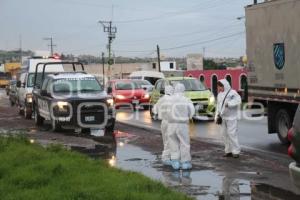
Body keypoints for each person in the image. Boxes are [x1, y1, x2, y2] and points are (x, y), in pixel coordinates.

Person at [167, 83, 195, 170]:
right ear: (183, 90)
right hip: (182, 124)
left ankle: (175, 161)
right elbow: (192, 111)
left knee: (173, 142)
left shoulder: (169, 99)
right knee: (184, 143)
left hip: (171, 124)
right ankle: (185, 162)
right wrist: (189, 116)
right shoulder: (186, 100)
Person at [215, 79, 241, 158]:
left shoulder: (232, 93)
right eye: (218, 87)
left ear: (224, 86)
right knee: (224, 134)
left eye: (220, 87)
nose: (219, 89)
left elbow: (238, 101)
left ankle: (236, 151)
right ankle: (228, 151)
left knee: (232, 134)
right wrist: (216, 116)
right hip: (223, 118)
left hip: (231, 117)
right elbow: (218, 106)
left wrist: (229, 104)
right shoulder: (219, 95)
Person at [152, 85, 174, 165]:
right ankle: (166, 158)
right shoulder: (173, 100)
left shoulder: (161, 99)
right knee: (170, 140)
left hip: (163, 122)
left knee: (165, 140)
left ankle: (167, 156)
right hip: (171, 122)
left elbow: (154, 110)